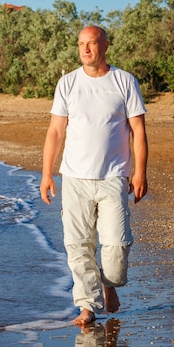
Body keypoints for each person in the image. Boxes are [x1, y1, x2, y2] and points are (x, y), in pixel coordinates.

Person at [40, 25, 148, 327]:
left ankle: (109, 284)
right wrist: (47, 174)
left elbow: (138, 131)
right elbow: (55, 131)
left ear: (105, 46)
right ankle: (87, 307)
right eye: (81, 44)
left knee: (116, 248)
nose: (86, 49)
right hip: (74, 178)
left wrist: (140, 172)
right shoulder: (68, 83)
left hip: (113, 178)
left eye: (92, 44)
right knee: (78, 245)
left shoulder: (124, 81)